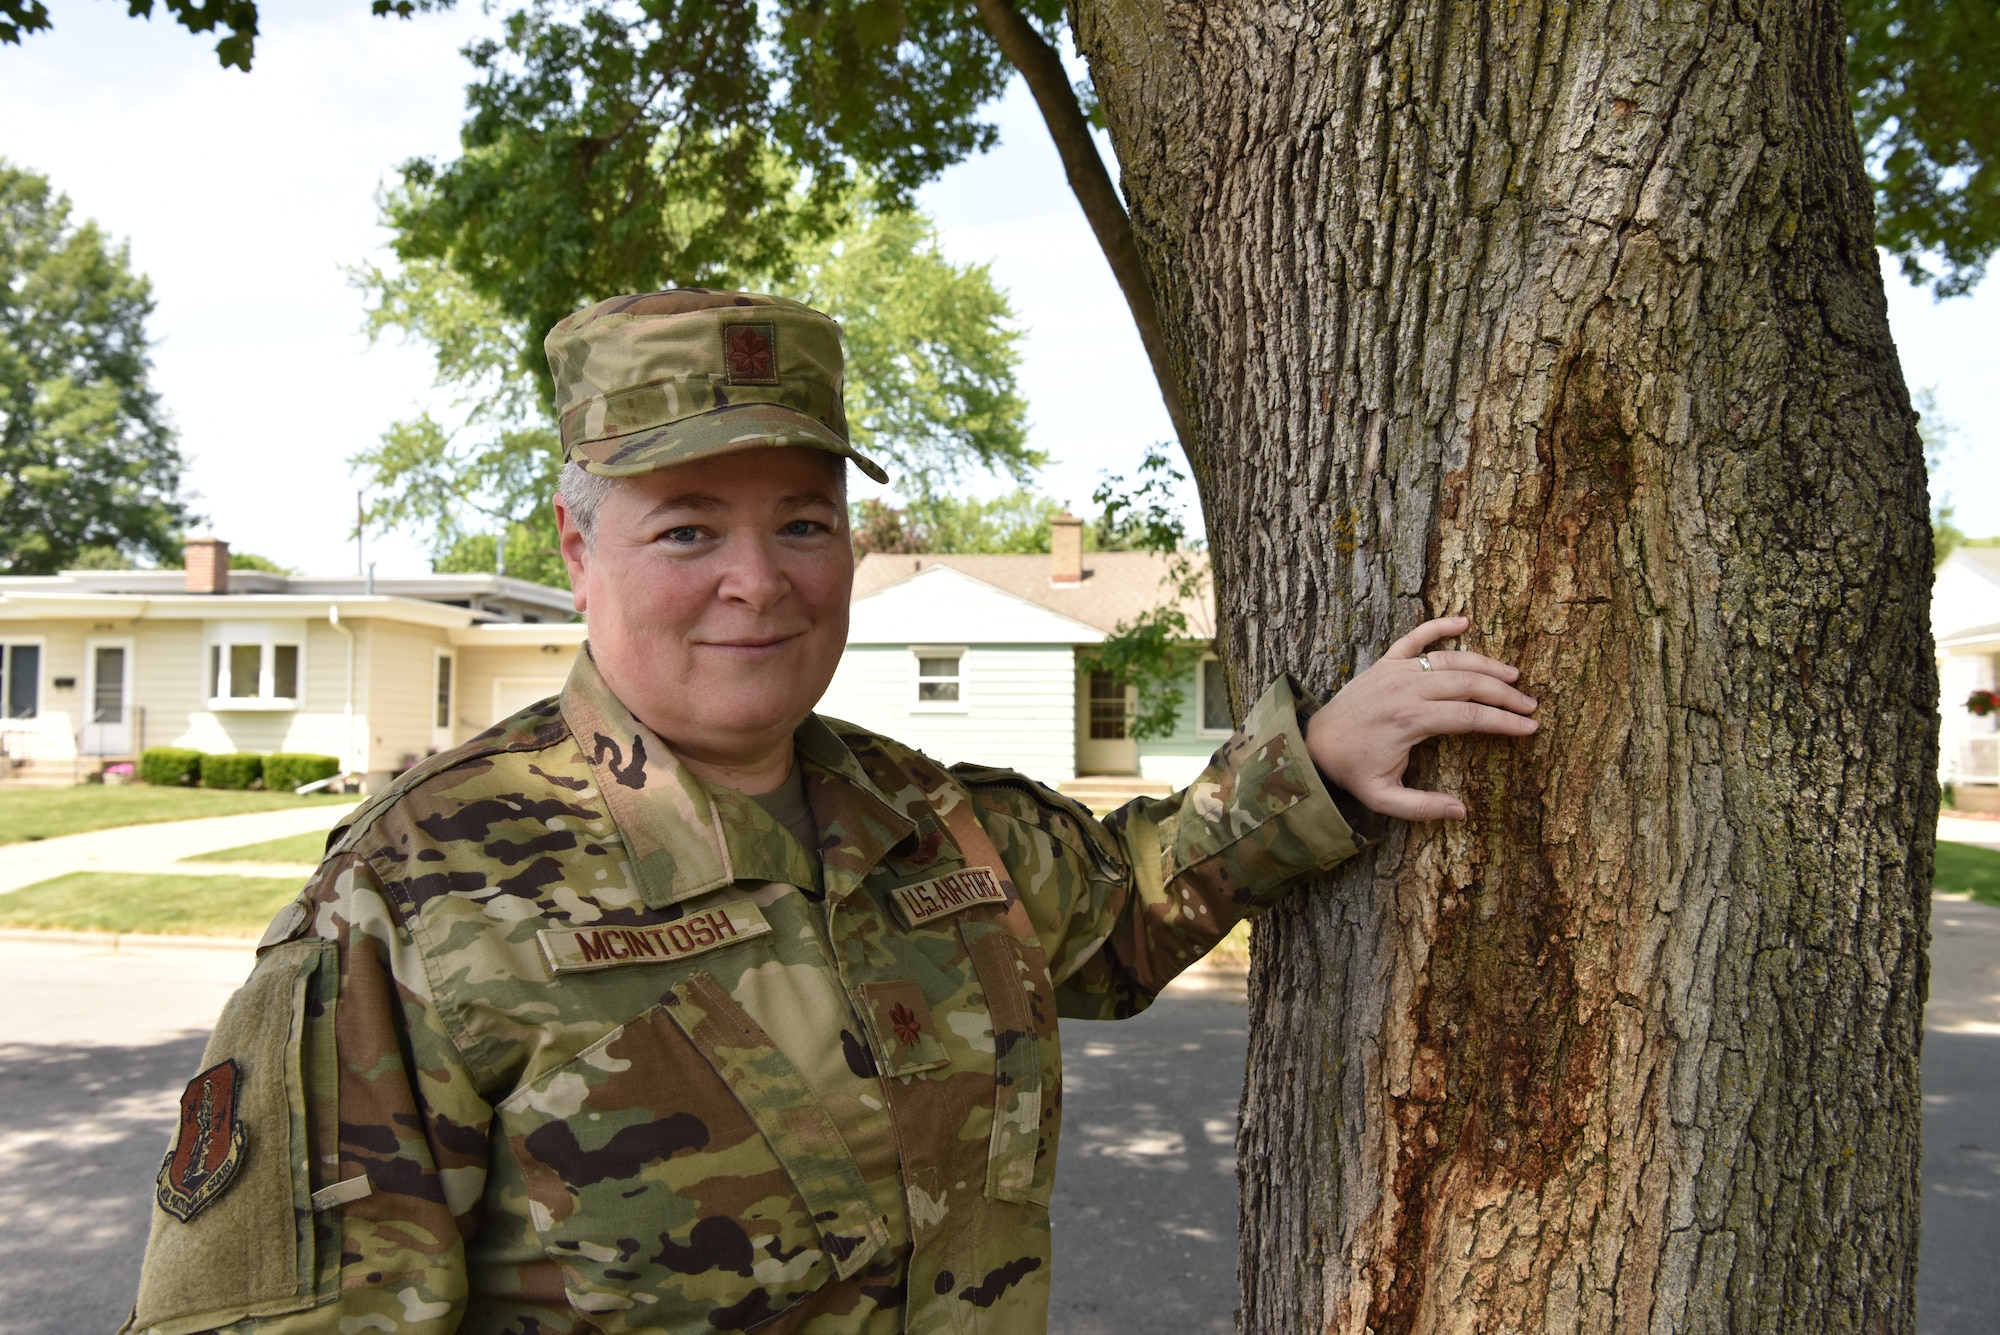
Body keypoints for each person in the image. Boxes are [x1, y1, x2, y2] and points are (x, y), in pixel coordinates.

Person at [119, 289, 1537, 1335]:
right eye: (688, 527)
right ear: (576, 544)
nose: (762, 578)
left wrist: (1319, 761)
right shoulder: (415, 900)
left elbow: (1124, 903)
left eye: (803, 521)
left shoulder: (920, 818)